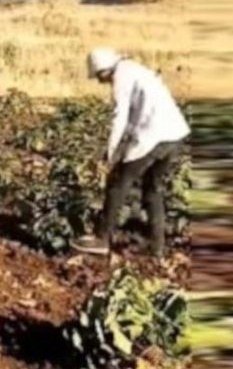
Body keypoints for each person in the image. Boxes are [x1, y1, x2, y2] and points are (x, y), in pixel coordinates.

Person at [71, 47, 190, 258]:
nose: (100, 81)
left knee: (117, 183)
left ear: (104, 70)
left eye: (99, 76)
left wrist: (111, 155)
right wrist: (121, 150)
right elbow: (136, 119)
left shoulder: (121, 77)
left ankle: (102, 239)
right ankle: (157, 249)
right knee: (153, 190)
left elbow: (120, 117)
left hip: (154, 135)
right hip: (175, 134)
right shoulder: (135, 69)